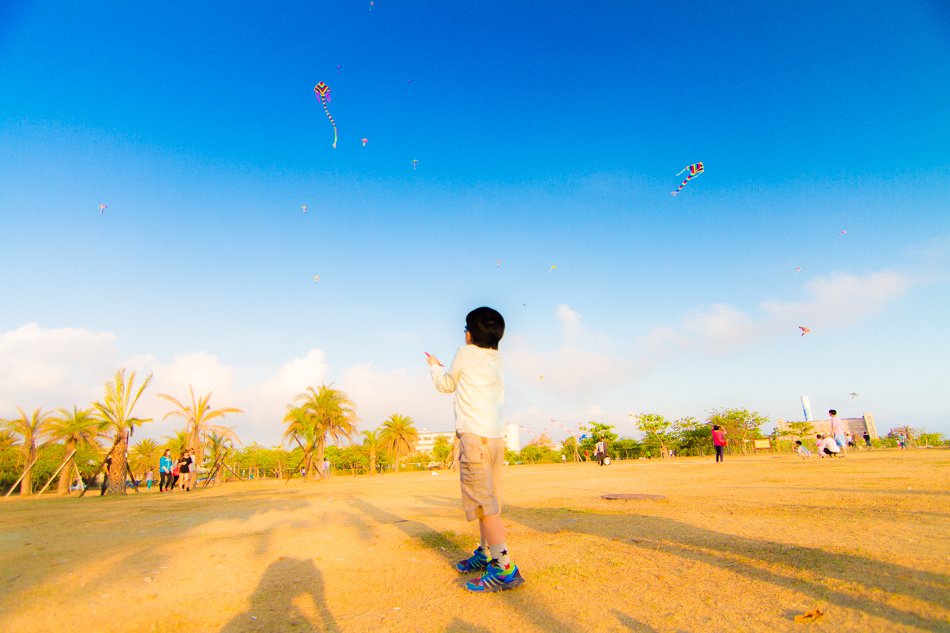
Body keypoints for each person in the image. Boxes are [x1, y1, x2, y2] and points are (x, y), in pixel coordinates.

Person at [427, 306, 524, 592]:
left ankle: (505, 568)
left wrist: (434, 365)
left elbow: (446, 385)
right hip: (495, 439)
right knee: (489, 502)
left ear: (470, 334)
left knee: (486, 506)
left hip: (475, 440)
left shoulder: (465, 353)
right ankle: (485, 554)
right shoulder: (496, 358)